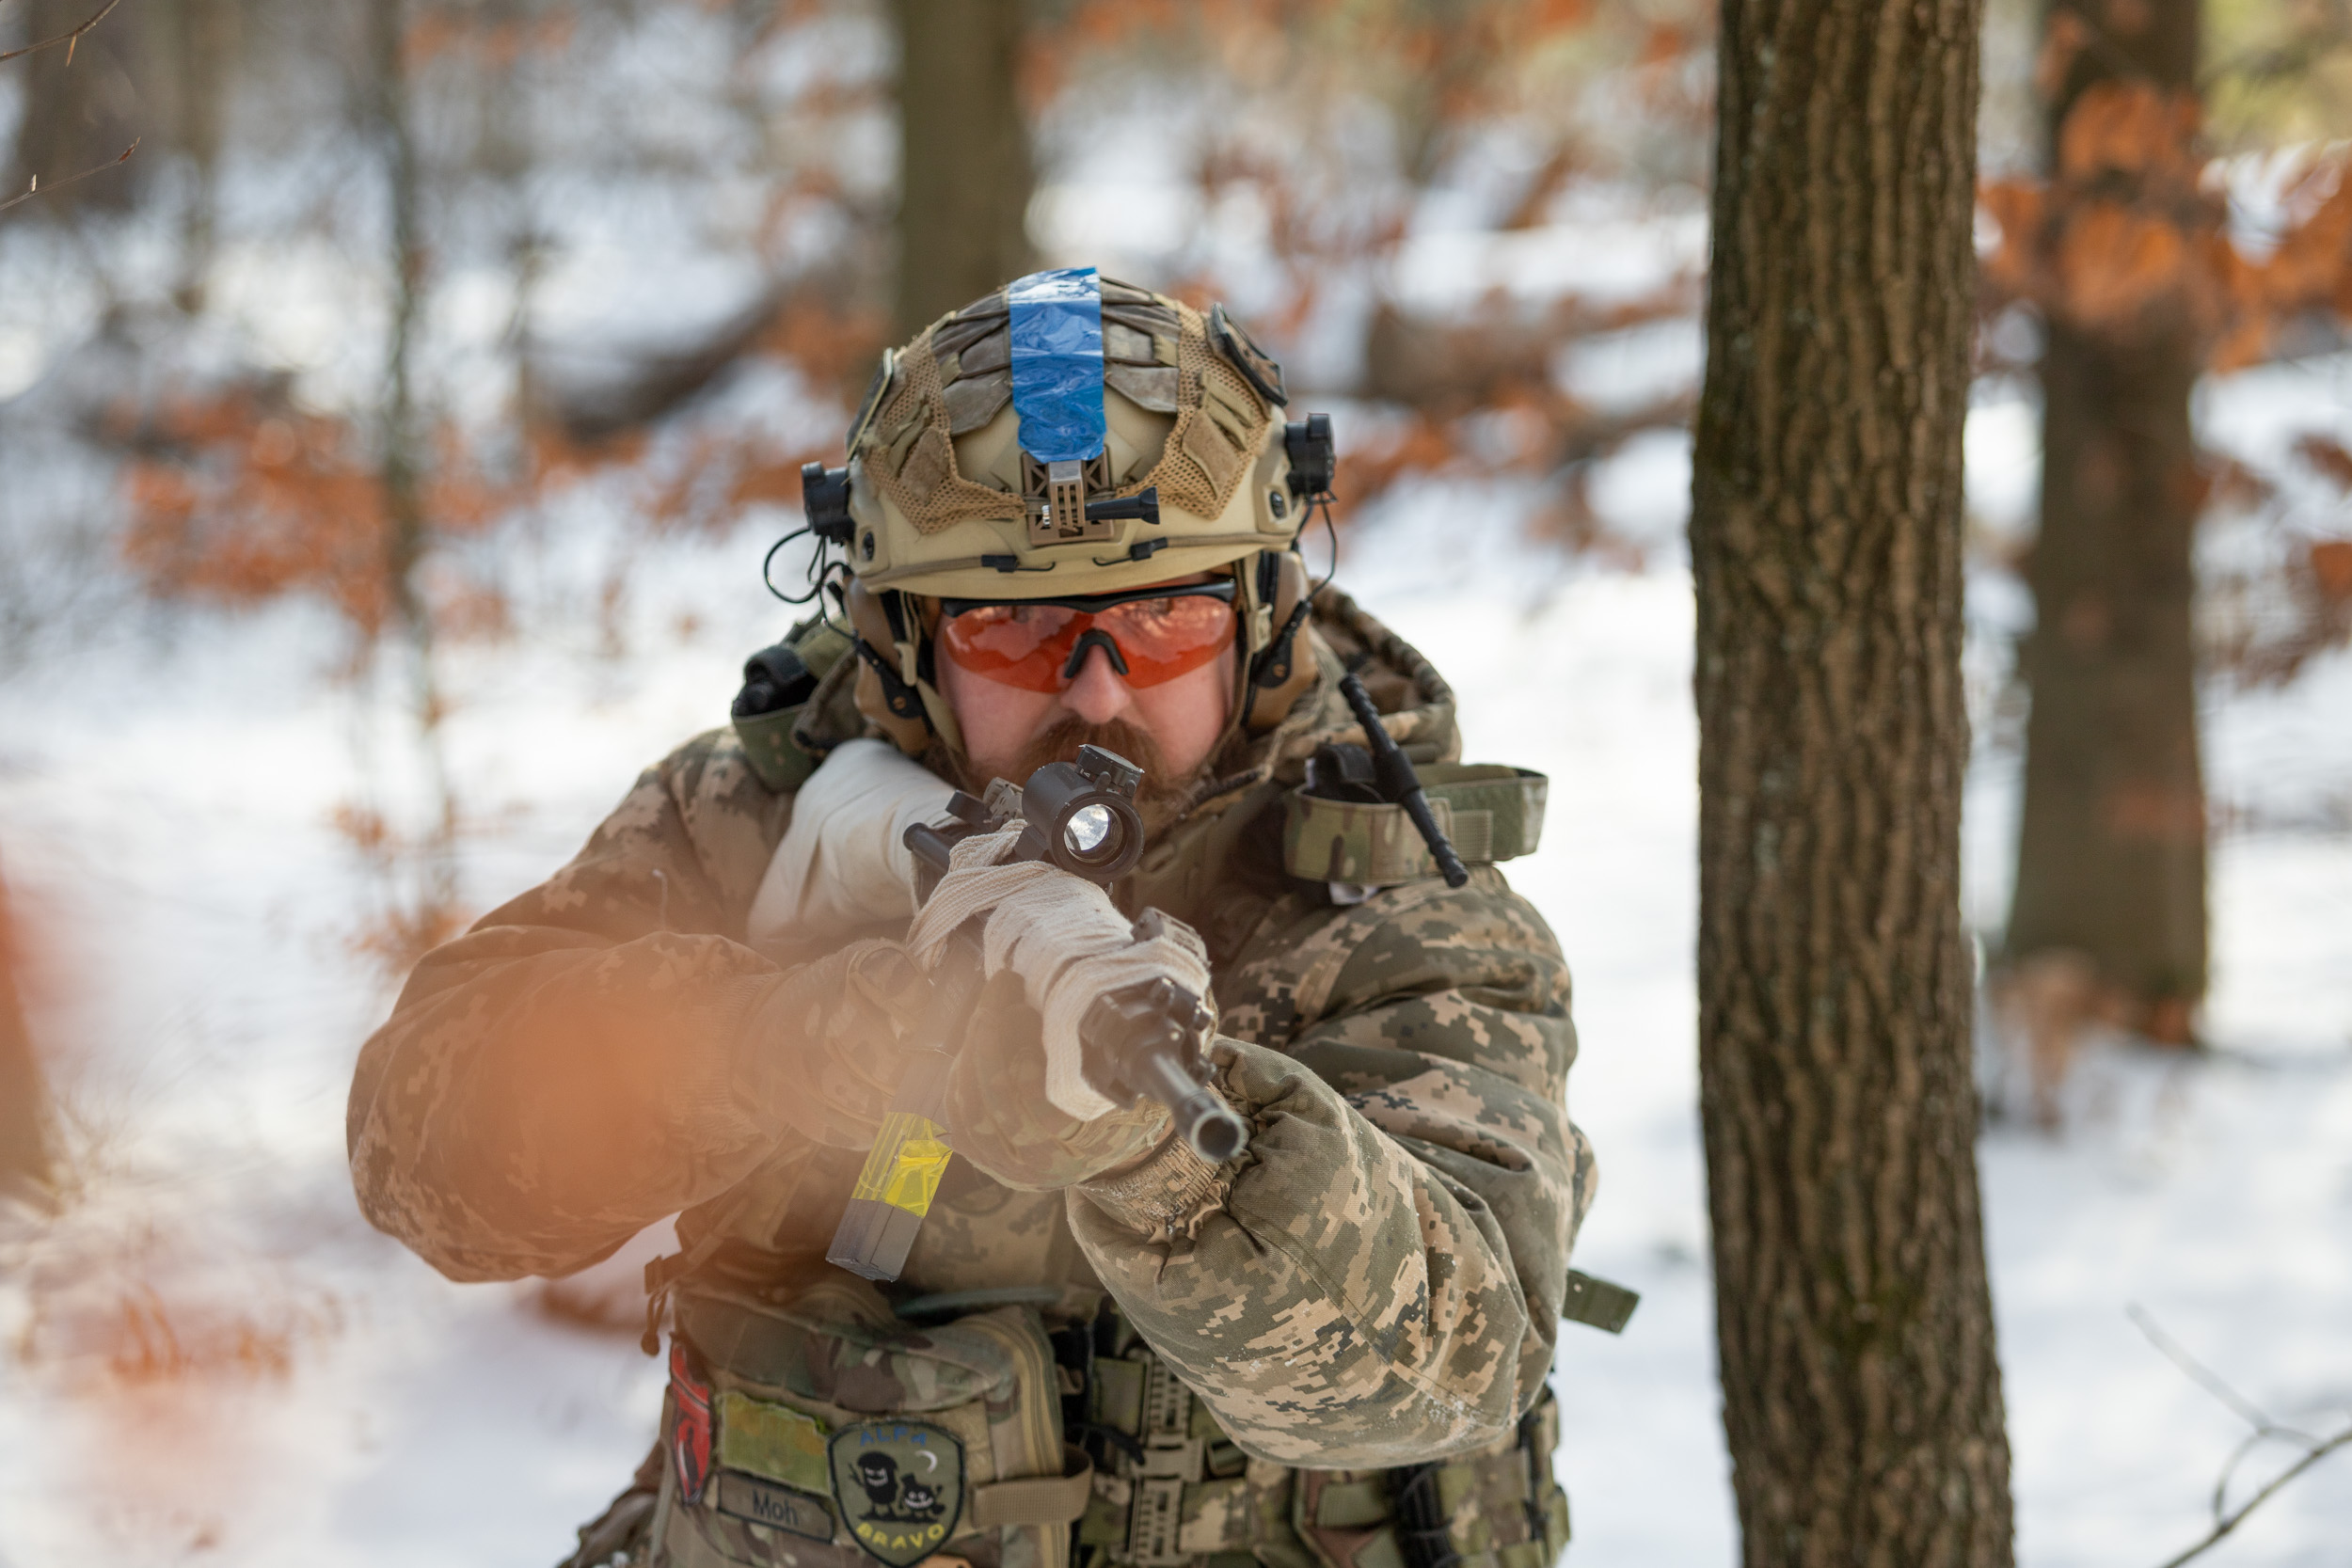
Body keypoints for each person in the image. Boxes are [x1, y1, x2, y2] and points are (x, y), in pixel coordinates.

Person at [347, 269, 1615, 1568]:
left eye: (1165, 617)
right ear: (903, 638)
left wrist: (1159, 1159)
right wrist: (803, 1041)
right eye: (1012, 626)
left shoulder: (1386, 892)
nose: (1100, 695)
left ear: (1263, 617)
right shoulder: (760, 813)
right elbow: (422, 1161)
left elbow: (1457, 1365)